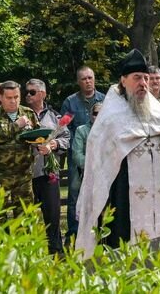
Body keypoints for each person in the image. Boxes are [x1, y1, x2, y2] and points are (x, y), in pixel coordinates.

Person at [75, 49, 160, 255]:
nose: (143, 83)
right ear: (123, 81)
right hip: (124, 201)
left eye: (146, 78)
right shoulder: (110, 119)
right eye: (137, 78)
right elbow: (99, 167)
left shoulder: (158, 113)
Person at [26, 78, 69, 253]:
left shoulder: (56, 117)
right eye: (26, 92)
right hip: (26, 174)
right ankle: (29, 254)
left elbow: (67, 138)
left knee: (52, 215)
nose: (28, 95)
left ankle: (56, 252)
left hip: (49, 173)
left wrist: (53, 145)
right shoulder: (22, 115)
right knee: (26, 216)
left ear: (42, 94)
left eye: (32, 92)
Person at [62, 65, 105, 238]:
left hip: (103, 157)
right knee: (74, 194)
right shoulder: (70, 102)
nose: (88, 81)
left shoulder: (104, 99)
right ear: (78, 82)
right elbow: (65, 128)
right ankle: (74, 232)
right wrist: (79, 150)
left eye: (90, 78)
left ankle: (100, 229)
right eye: (84, 79)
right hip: (77, 155)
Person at [0, 80, 37, 211]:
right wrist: (16, 125)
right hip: (0, 176)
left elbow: (38, 136)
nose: (13, 101)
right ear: (1, 97)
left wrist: (45, 144)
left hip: (23, 176)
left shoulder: (28, 113)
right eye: (9, 98)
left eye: (16, 97)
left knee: (25, 218)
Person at [69, 100, 102, 231]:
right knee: (87, 214)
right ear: (90, 115)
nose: (98, 116)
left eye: (101, 113)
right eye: (95, 113)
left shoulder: (112, 130)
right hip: (86, 177)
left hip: (108, 177)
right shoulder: (81, 130)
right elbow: (77, 156)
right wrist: (94, 167)